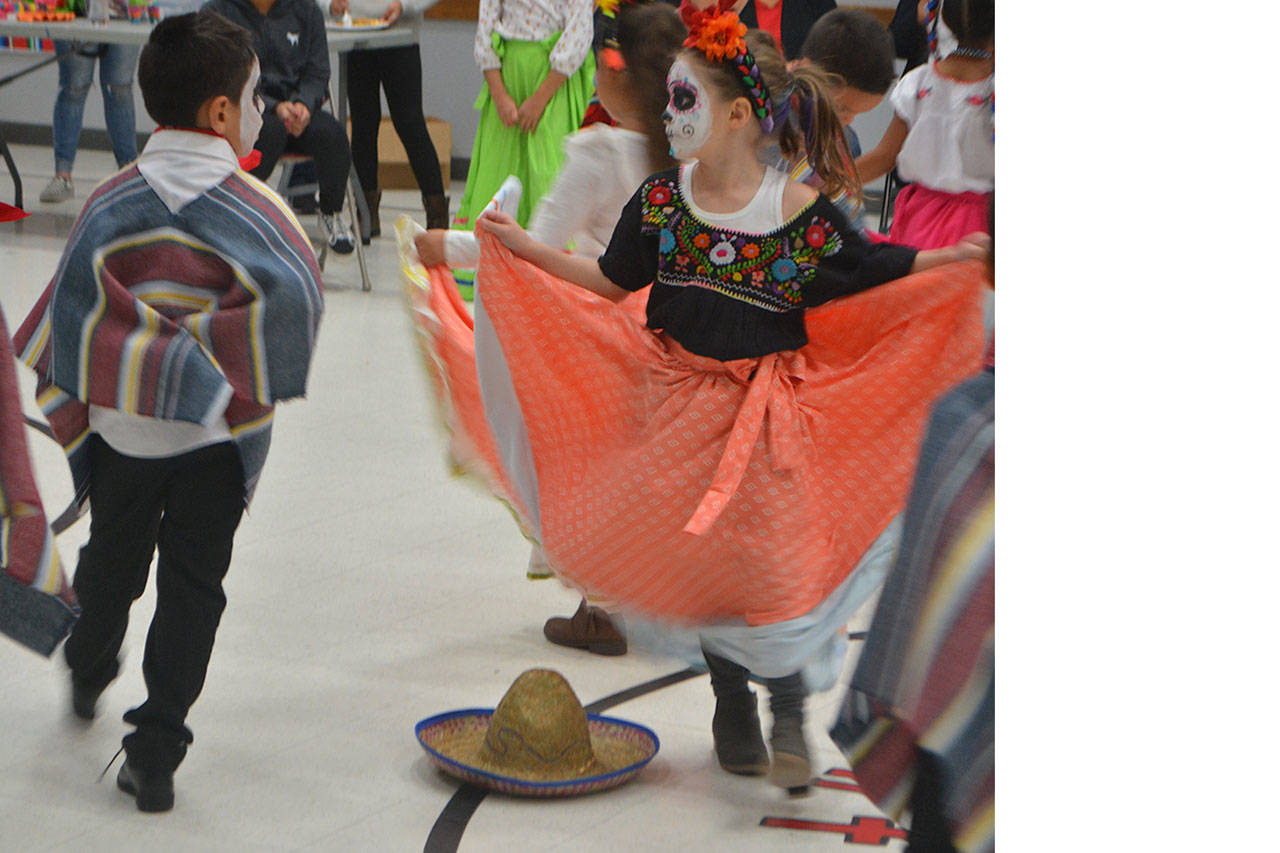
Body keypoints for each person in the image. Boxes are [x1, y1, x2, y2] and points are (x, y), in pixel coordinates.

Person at [415, 0, 989, 790]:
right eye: (670, 98)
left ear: (740, 116)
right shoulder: (662, 205)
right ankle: (730, 702)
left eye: (686, 100)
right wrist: (522, 252)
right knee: (707, 568)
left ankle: (786, 707)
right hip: (678, 413)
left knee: (773, 567)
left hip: (767, 421)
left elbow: (874, 269)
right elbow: (610, 280)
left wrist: (947, 261)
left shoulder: (792, 210)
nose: (670, 112)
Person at [12, 9, 323, 812]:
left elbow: (74, 315)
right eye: (253, 97)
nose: (258, 110)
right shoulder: (262, 214)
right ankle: (155, 749)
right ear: (221, 112)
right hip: (216, 441)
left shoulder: (111, 202)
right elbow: (292, 307)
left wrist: (147, 356)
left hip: (121, 434)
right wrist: (207, 362)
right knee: (195, 585)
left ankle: (87, 660)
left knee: (113, 558)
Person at [413, 0, 686, 657]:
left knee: (585, 460)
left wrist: (446, 248)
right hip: (674, 330)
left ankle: (602, 606)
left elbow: (533, 248)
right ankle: (661, 593)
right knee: (651, 462)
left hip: (599, 329)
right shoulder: (691, 154)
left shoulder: (599, 151)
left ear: (612, 73)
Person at [204, 0, 357, 254]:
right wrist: (274, 106)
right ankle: (243, 213)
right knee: (269, 132)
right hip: (246, 111)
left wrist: (303, 105)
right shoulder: (220, 11)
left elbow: (318, 72)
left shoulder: (307, 11)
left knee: (333, 135)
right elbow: (220, 75)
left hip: (298, 111)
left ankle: (332, 212)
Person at [449, 0, 596, 254]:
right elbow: (485, 28)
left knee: (548, 169)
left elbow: (578, 33)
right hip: (508, 77)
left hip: (553, 82)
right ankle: (488, 261)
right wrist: (499, 93)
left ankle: (550, 264)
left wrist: (540, 98)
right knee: (498, 168)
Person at [853, 0, 992, 250]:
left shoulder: (918, 83)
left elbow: (884, 158)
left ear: (943, 17)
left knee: (919, 287)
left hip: (919, 218)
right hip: (983, 227)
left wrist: (826, 183)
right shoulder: (990, 91)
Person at [326, 0, 449, 236]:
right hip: (355, 35)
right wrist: (330, 4)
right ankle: (366, 212)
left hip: (400, 36)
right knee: (362, 125)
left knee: (410, 124)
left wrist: (404, 5)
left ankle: (437, 213)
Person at [38, 26, 139, 205]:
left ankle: (129, 174)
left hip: (124, 11)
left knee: (119, 89)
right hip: (77, 10)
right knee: (73, 88)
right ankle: (62, 176)